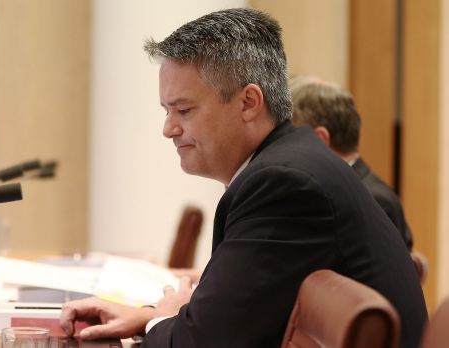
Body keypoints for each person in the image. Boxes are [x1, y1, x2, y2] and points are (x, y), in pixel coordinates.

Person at [59, 8, 427, 347]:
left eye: (183, 110)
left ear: (249, 102)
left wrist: (162, 321)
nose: (168, 129)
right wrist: (150, 317)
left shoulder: (285, 184)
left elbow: (202, 341)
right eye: (166, 111)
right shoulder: (288, 164)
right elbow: (236, 314)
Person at [289, 76, 414, 250]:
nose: (283, 150)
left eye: (289, 138)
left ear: (318, 140)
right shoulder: (331, 189)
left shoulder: (373, 200)